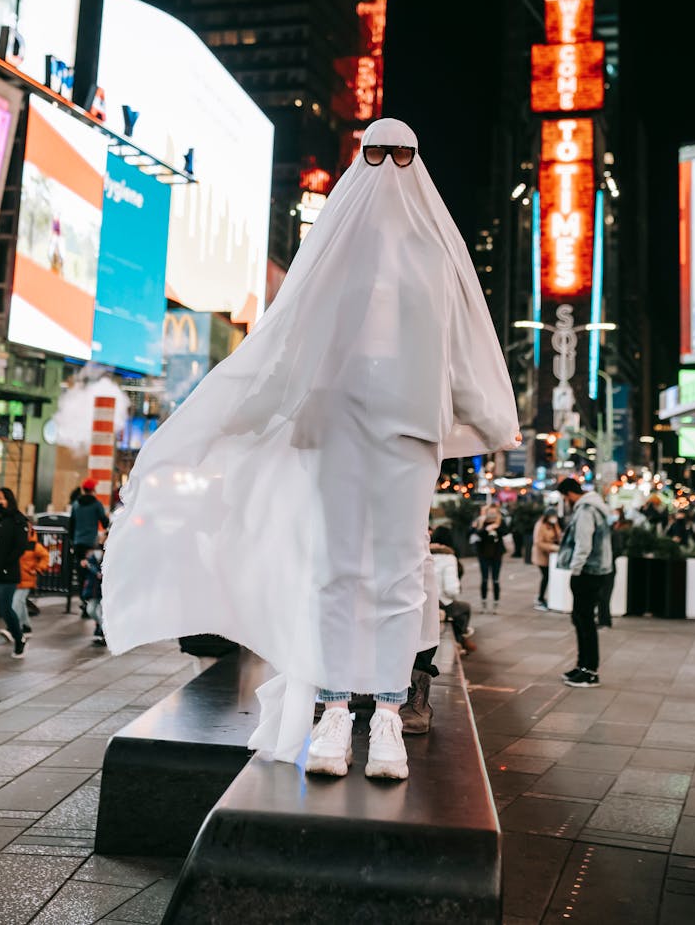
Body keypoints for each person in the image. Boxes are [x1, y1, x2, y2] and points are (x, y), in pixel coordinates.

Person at [101, 117, 520, 784]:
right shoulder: (332, 249)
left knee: (399, 564)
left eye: (403, 154)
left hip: (410, 425)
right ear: (360, 157)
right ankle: (331, 708)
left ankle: (386, 711)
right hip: (336, 422)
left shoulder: (438, 252)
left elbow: (466, 341)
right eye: (376, 152)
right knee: (336, 565)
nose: (389, 167)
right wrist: (235, 417)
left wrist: (494, 417)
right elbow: (287, 340)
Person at [555, 477, 612, 687]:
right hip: (598, 571)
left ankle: (589, 671)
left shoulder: (586, 510)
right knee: (582, 620)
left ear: (569, 494)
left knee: (584, 621)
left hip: (588, 572)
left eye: (564, 497)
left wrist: (576, 570)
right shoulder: (597, 506)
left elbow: (583, 544)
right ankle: (582, 666)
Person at [429, 528, 476, 656]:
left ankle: (462, 639)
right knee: (464, 608)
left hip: (424, 599)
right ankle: (460, 641)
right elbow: (451, 590)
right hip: (440, 603)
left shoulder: (425, 553)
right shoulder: (448, 557)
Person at [0, 487, 30, 659]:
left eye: (0, 498)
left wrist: (4, 565)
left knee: (5, 608)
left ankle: (19, 638)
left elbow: (20, 547)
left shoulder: (17, 520)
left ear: (9, 499)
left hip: (7, 573)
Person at [69, 479, 109, 616]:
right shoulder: (97, 504)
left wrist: (72, 542)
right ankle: (90, 603)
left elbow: (71, 525)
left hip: (78, 543)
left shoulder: (75, 504)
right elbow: (104, 522)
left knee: (81, 574)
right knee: (91, 574)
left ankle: (83, 602)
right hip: (91, 545)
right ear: (92, 490)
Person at [10, 522, 49, 637]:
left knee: (16, 603)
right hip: (15, 578)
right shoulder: (14, 543)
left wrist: (38, 569)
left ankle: (12, 628)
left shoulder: (34, 545)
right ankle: (26, 626)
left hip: (27, 579)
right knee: (20, 603)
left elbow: (45, 556)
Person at [471, 503, 507, 613]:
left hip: (497, 554)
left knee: (496, 580)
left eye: (494, 513)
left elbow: (506, 532)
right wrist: (486, 529)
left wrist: (497, 527)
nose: (492, 515)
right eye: (490, 513)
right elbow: (476, 534)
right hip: (483, 554)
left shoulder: (501, 523)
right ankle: (484, 603)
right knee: (484, 579)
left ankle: (496, 604)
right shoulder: (481, 522)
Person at [79, 530, 106, 646]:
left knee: (99, 611)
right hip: (94, 589)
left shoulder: (109, 554)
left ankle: (102, 632)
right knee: (92, 610)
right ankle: (103, 630)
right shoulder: (93, 554)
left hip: (104, 590)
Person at [531, 507, 561, 610]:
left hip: (551, 556)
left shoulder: (553, 525)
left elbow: (559, 536)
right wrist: (552, 547)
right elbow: (538, 542)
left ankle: (543, 597)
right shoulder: (540, 525)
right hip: (542, 555)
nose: (554, 518)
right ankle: (540, 598)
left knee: (548, 577)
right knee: (546, 576)